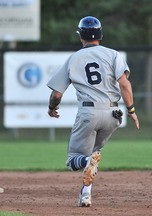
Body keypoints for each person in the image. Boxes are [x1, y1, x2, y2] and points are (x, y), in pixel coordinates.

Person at [47, 16, 139, 207]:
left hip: (89, 113)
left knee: (74, 160)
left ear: (81, 36)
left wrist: (52, 108)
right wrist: (131, 110)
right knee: (95, 155)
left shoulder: (74, 58)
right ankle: (85, 194)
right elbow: (125, 84)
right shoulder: (113, 54)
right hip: (114, 114)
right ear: (101, 35)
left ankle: (88, 160)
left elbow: (57, 94)